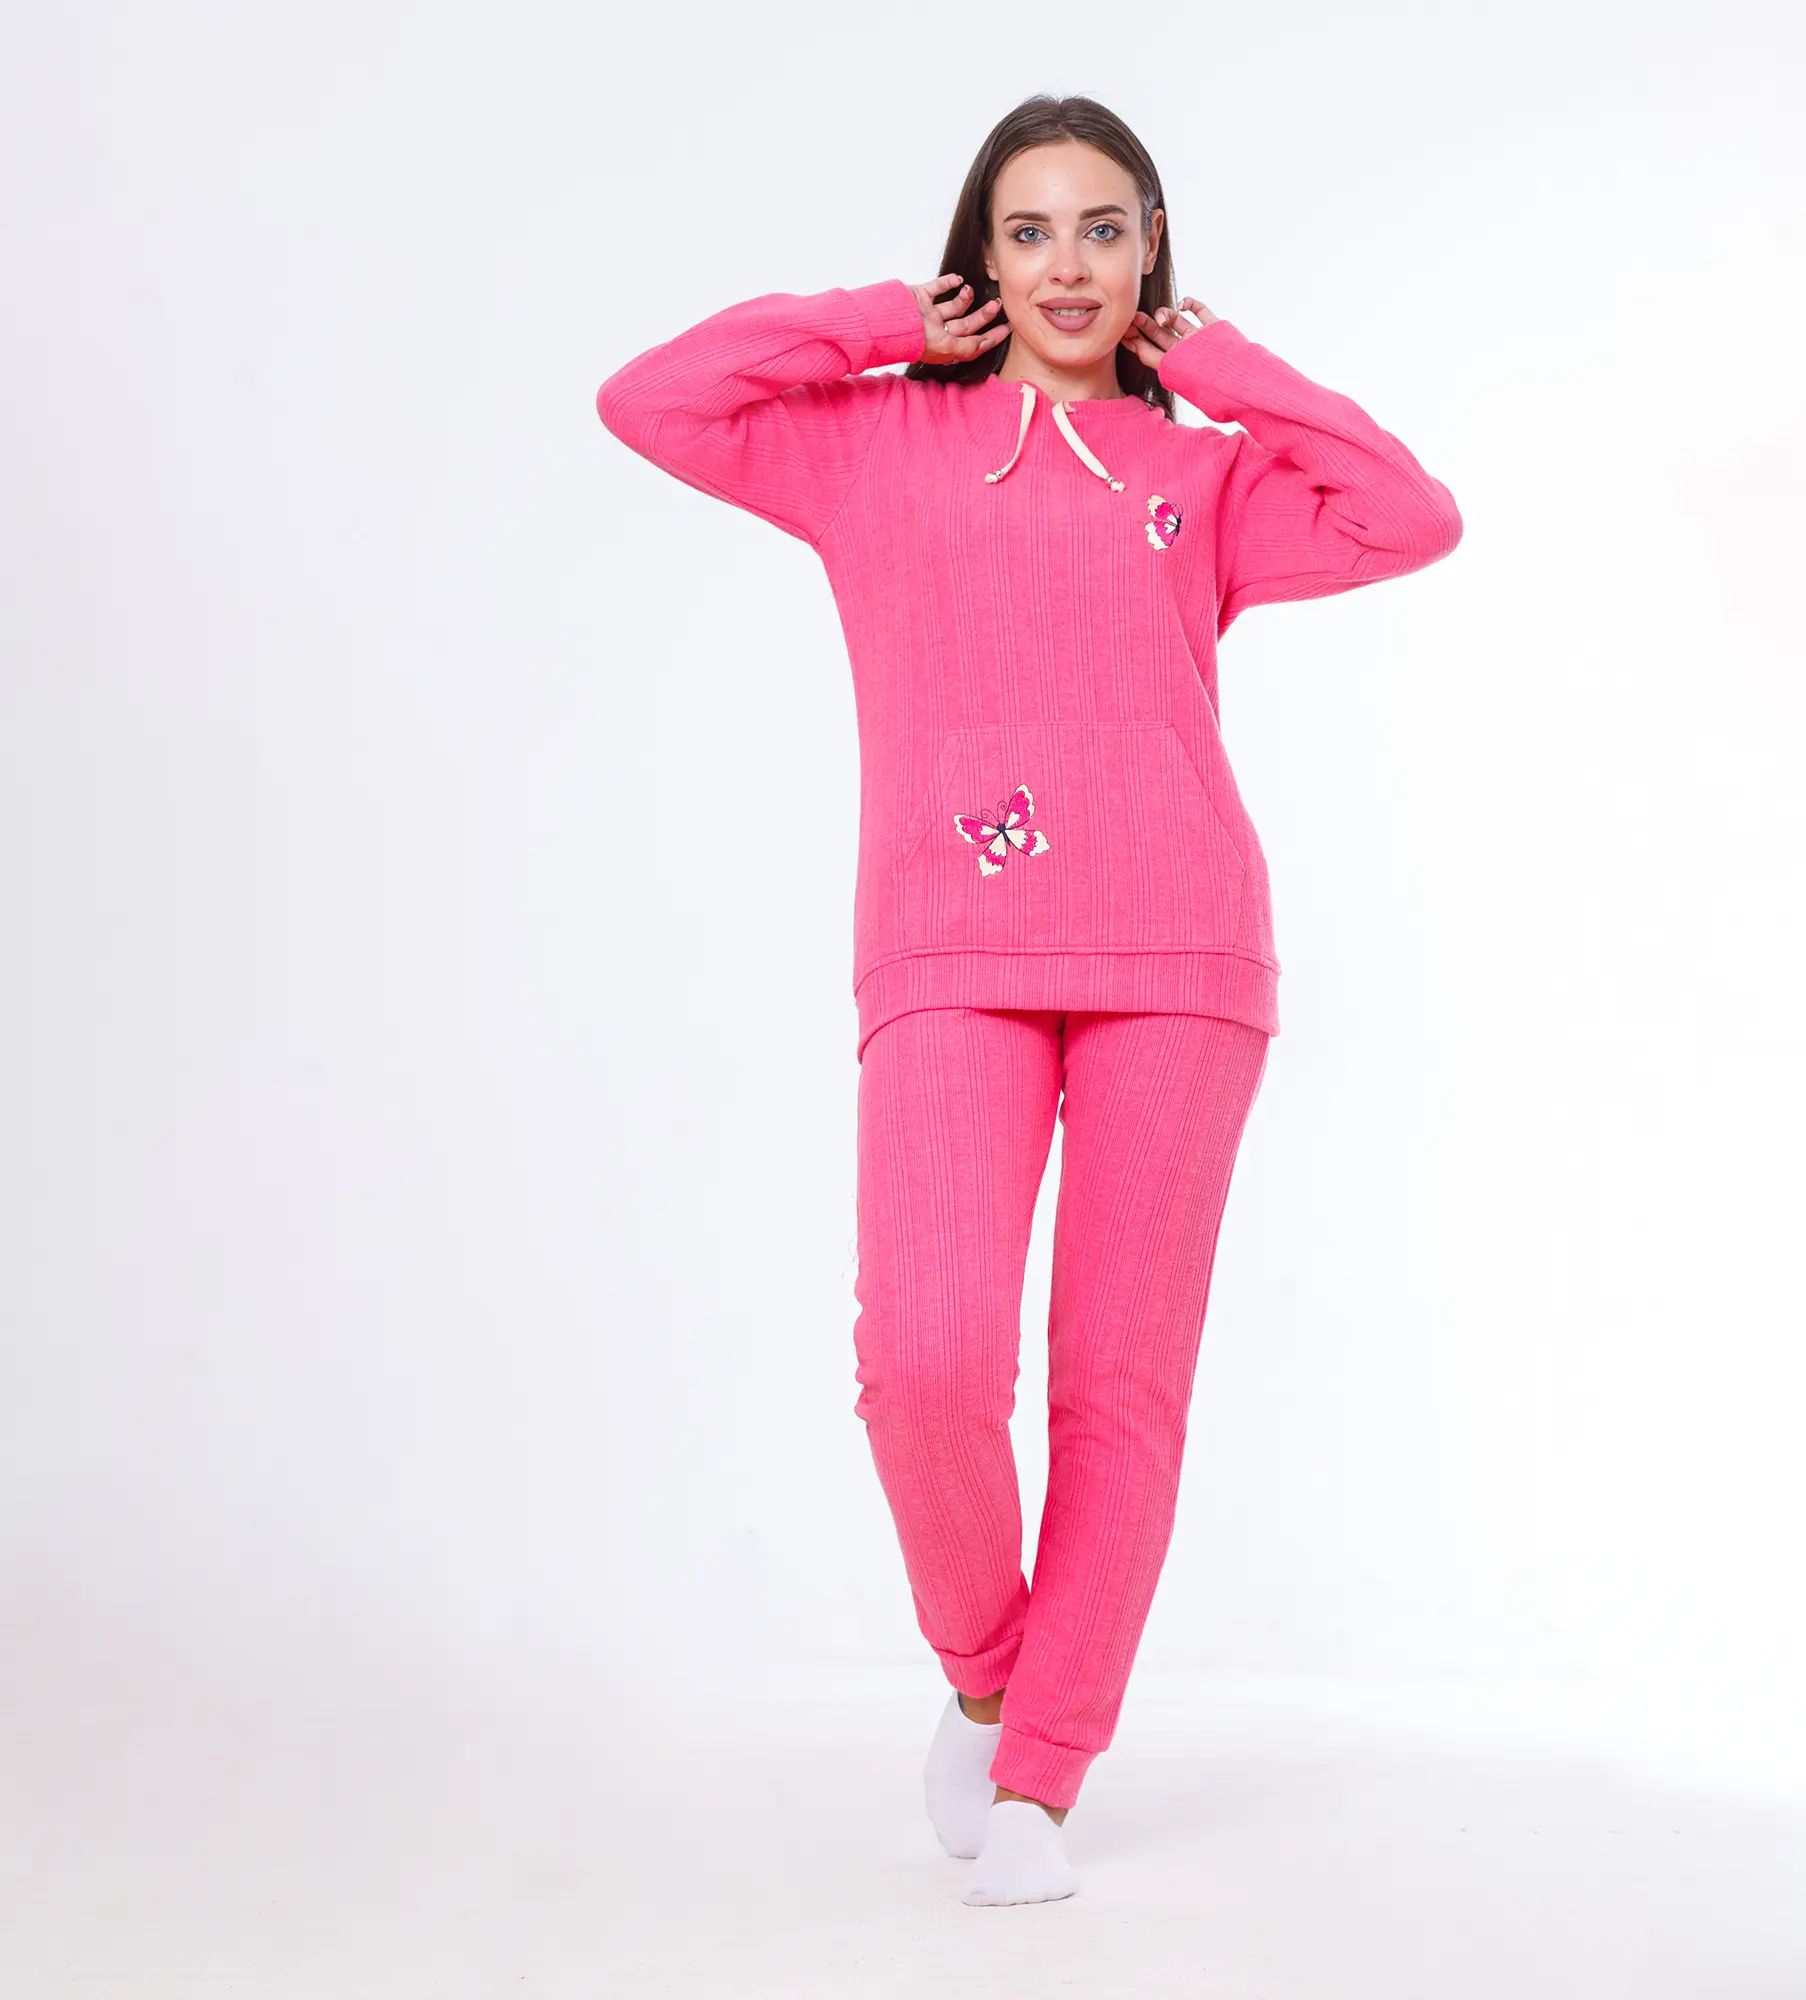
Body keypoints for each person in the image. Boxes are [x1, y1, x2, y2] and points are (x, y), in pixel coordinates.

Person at [595, 93, 1462, 1907]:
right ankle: (992, 1677)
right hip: (950, 953)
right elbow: (653, 401)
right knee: (923, 1364)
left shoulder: (1204, 478)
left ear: (1153, 255)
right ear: (981, 257)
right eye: (1031, 230)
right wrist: (873, 326)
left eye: (1105, 229)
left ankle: (1046, 1777)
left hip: (1180, 960)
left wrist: (1226, 370)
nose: (1069, 265)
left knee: (1117, 1394)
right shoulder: (872, 445)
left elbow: (1409, 516)